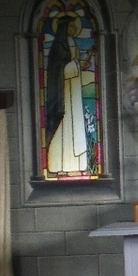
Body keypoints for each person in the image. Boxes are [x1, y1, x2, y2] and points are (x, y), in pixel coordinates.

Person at [44, 13, 89, 175]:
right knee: (65, 126)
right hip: (64, 93)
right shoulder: (58, 46)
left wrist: (81, 63)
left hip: (74, 90)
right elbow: (60, 70)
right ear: (63, 28)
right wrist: (78, 64)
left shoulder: (72, 43)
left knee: (75, 126)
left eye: (75, 25)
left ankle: (76, 165)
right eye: (71, 26)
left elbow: (72, 66)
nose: (75, 28)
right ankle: (58, 165)